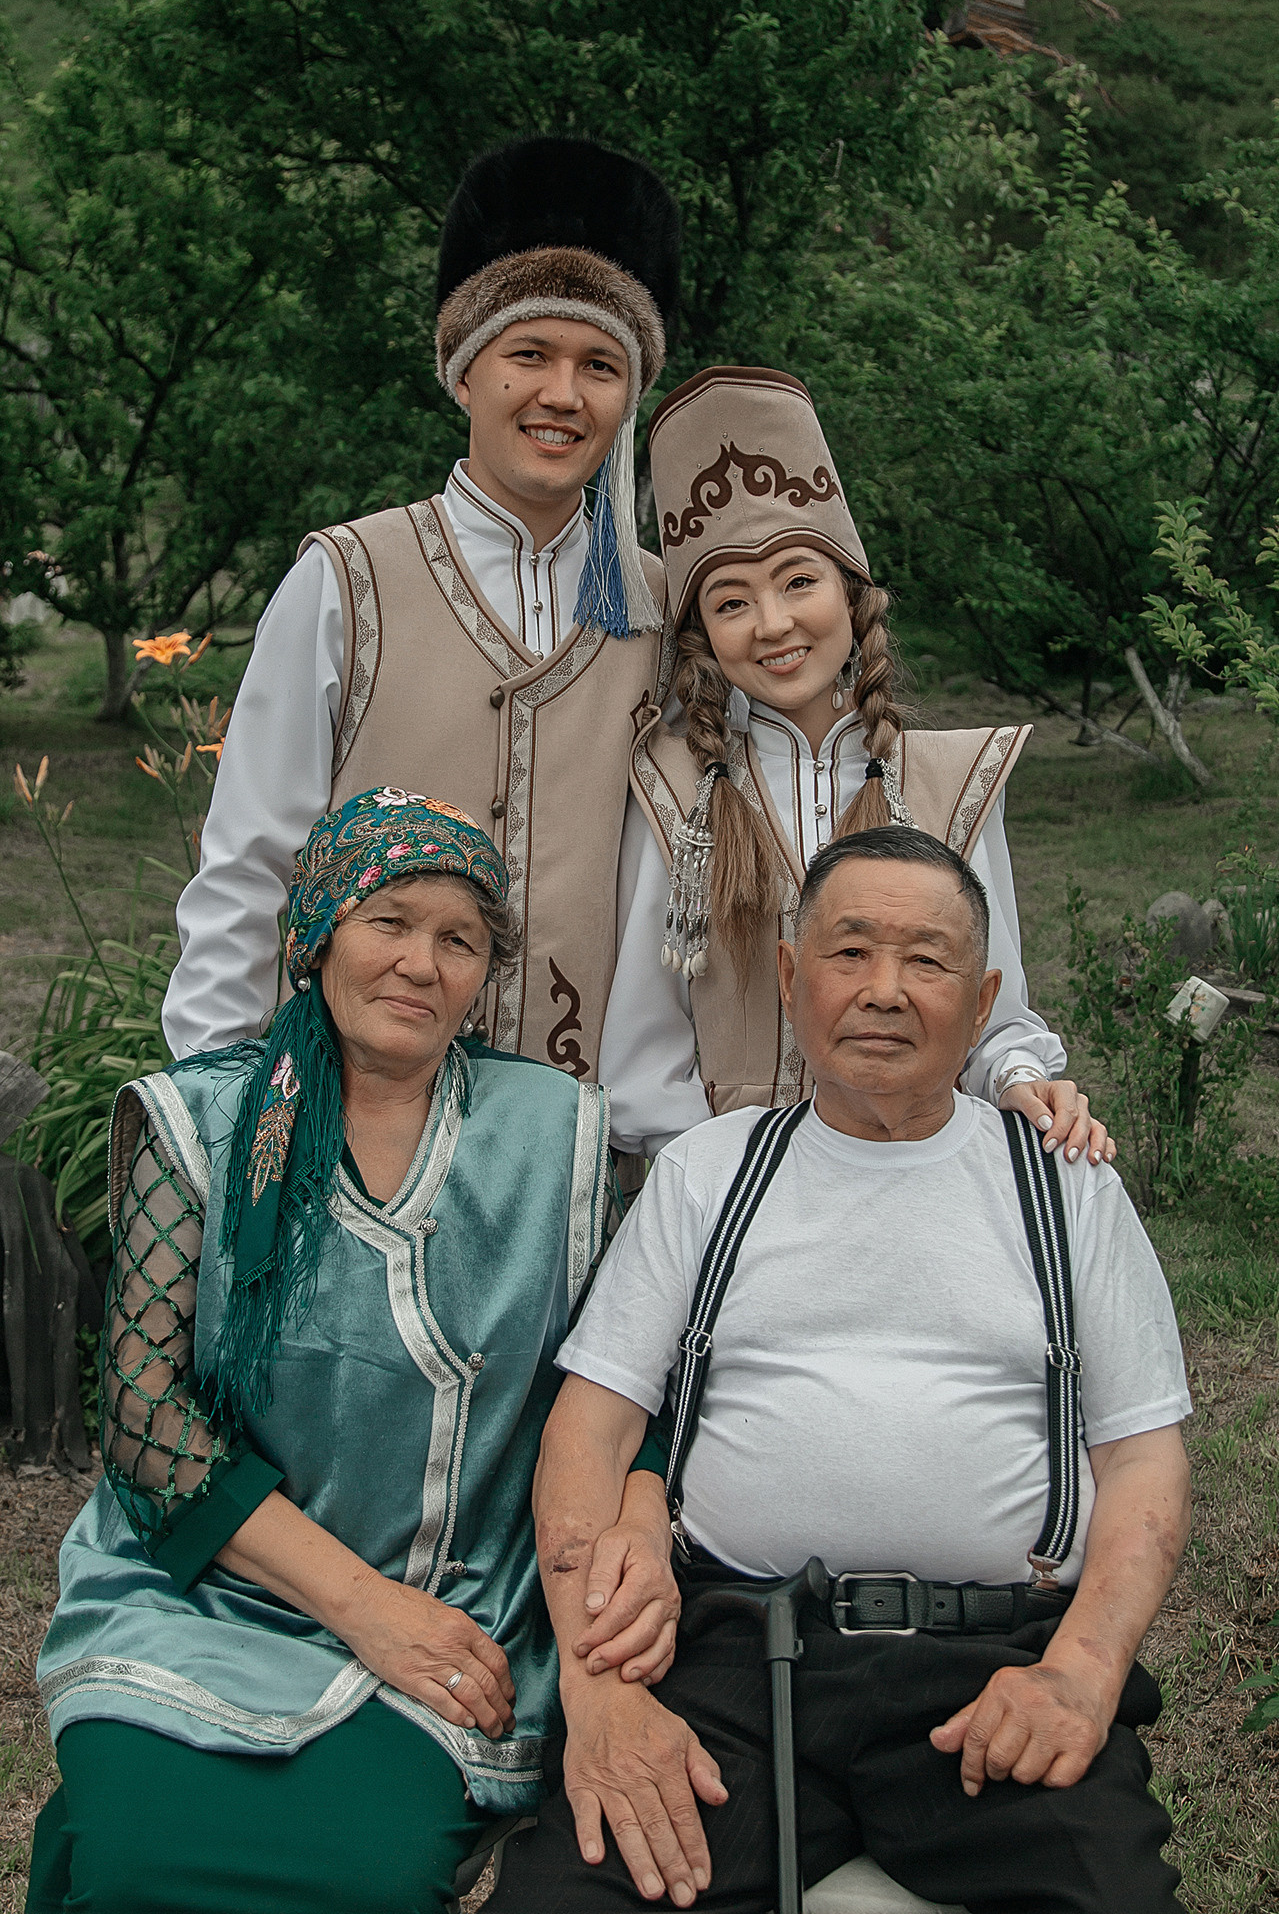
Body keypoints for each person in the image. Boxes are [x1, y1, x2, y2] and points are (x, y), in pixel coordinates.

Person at [490, 827, 1192, 1914]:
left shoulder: (1065, 1187)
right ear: (787, 974)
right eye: (850, 952)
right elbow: (589, 1432)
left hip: (991, 1661)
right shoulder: (709, 1173)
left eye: (928, 960)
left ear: (982, 993)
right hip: (737, 1652)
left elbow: (1144, 1465)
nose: (885, 991)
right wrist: (600, 1697)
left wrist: (1081, 1673)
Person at [27, 789, 674, 1914]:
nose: (421, 963)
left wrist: (641, 1518)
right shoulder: (203, 1124)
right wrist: (366, 1609)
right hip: (205, 1598)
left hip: (460, 1601)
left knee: (363, 1875)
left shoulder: (551, 1133)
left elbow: (624, 1381)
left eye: (459, 939)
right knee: (135, 1862)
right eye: (390, 921)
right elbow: (145, 1421)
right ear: (317, 931)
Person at [162, 137, 682, 1081]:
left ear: (630, 397)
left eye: (600, 365)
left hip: (574, 1127)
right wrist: (215, 1094)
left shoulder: (663, 608)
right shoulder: (347, 579)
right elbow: (246, 865)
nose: (561, 395)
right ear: (465, 372)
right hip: (345, 1105)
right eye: (529, 353)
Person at [602, 365, 1111, 1164]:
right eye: (730, 601)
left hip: (913, 1168)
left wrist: (1019, 1076)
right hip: (726, 1186)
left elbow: (994, 1011)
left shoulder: (951, 782)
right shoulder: (672, 794)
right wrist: (739, 1185)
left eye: (798, 582)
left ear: (851, 593)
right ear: (700, 631)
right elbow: (641, 1062)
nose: (772, 625)